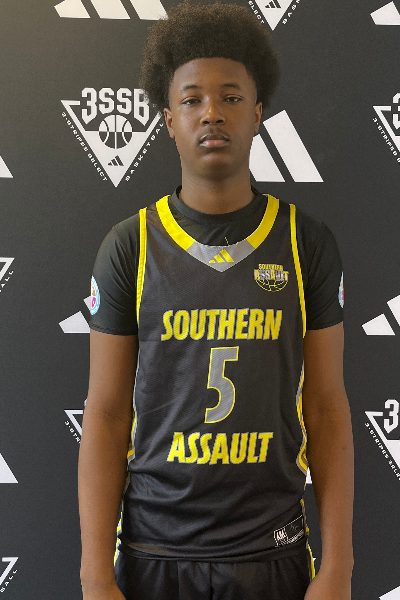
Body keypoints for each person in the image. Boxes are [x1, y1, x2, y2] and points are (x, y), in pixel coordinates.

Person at [78, 2, 354, 599]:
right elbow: (105, 413)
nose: (211, 112)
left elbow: (327, 405)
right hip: (155, 552)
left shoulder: (305, 243)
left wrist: (338, 566)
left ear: (257, 114)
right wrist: (94, 573)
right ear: (168, 120)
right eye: (192, 99)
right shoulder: (131, 246)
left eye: (231, 97)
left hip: (271, 550)